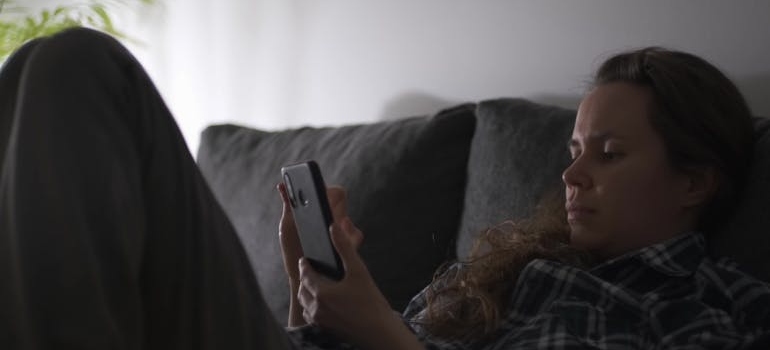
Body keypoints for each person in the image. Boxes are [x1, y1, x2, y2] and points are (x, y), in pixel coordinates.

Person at [0, 27, 767, 350]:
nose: (569, 175)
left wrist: (382, 331)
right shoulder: (532, 263)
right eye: (572, 149)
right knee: (52, 69)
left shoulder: (707, 314)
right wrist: (319, 299)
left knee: (87, 72)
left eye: (608, 153)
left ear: (695, 179)